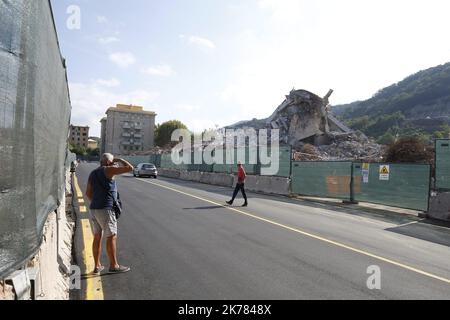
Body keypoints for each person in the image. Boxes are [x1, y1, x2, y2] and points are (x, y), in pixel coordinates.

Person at [86, 153, 134, 274]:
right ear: (108, 162)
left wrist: (97, 201)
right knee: (111, 236)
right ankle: (114, 265)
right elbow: (130, 168)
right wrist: (120, 159)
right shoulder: (109, 169)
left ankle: (97, 266)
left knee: (97, 237)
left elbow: (88, 193)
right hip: (106, 209)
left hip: (94, 208)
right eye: (113, 161)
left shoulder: (93, 173)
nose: (114, 163)